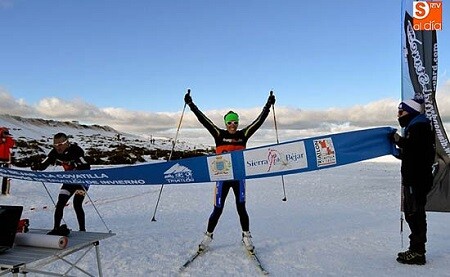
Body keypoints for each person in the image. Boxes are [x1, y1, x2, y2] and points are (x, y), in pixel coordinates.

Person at [184, 91, 276, 252]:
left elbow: (258, 121)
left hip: (239, 178)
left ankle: (246, 237)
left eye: (235, 122)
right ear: (226, 124)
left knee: (241, 208)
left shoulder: (243, 135)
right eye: (229, 122)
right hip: (222, 178)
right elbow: (203, 120)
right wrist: (191, 104)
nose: (232, 125)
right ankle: (208, 236)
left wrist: (268, 105)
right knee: (218, 209)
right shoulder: (219, 135)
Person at [391, 98, 435, 265]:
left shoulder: (419, 127)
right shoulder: (416, 127)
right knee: (413, 214)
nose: (398, 115)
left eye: (401, 112)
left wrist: (399, 141)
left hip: (417, 180)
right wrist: (399, 152)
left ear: (411, 111)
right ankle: (415, 249)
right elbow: (416, 153)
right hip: (415, 178)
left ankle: (417, 252)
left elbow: (416, 150)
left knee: (415, 215)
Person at [31, 133, 91, 235]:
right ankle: (56, 228)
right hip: (68, 180)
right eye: (55, 144)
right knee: (60, 203)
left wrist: (78, 166)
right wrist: (36, 166)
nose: (57, 147)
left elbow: (86, 166)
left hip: (82, 180)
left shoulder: (76, 150)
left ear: (67, 142)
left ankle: (82, 230)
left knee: (77, 204)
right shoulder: (54, 152)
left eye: (60, 144)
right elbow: (44, 164)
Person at [0, 127, 15, 195]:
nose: (6, 134)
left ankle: (4, 190)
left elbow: (12, 144)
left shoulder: (9, 139)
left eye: (7, 133)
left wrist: (8, 138)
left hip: (6, 159)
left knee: (5, 175)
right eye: (5, 133)